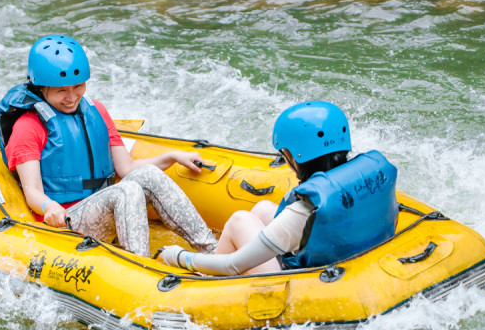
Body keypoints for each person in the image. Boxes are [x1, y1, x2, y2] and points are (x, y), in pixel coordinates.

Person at [0, 34, 218, 257]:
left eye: (78, 86)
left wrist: (172, 156)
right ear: (41, 87)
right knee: (126, 190)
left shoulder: (97, 111)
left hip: (103, 207)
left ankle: (212, 250)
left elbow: (126, 168)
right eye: (61, 90)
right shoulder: (27, 127)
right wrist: (49, 207)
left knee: (147, 175)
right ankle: (138, 268)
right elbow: (33, 192)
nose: (72, 97)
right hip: (66, 223)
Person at [157, 101, 398, 275]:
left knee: (240, 220)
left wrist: (178, 256)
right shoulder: (366, 176)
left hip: (301, 279)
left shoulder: (304, 210)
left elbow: (232, 265)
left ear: (295, 156)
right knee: (262, 208)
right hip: (343, 254)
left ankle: (207, 282)